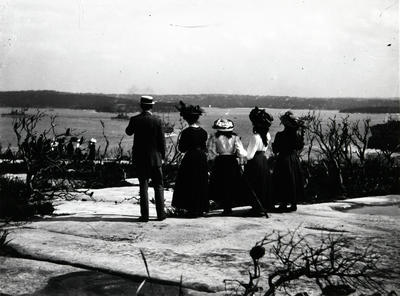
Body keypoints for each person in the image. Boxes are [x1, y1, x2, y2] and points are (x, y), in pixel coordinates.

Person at [125, 96, 166, 222]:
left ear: (141, 105)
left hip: (141, 158)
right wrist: (162, 157)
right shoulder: (157, 120)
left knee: (143, 186)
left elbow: (128, 132)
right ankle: (160, 214)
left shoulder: (135, 119)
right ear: (151, 106)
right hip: (155, 158)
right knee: (158, 185)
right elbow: (162, 141)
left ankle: (145, 215)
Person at [172, 101, 209, 217]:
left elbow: (181, 149)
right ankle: (200, 207)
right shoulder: (203, 132)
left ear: (187, 119)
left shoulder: (186, 132)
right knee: (200, 181)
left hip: (190, 157)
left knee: (189, 182)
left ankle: (190, 207)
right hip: (201, 158)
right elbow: (204, 147)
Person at [208, 118, 247, 215]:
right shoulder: (235, 137)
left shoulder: (214, 137)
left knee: (221, 183)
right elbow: (241, 152)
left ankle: (224, 206)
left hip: (220, 162)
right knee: (231, 183)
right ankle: (229, 206)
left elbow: (211, 153)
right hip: (232, 162)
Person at [272, 110, 305, 212]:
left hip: (283, 159)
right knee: (294, 181)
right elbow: (299, 147)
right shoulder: (296, 136)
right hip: (294, 159)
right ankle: (293, 203)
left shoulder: (279, 135)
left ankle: (283, 204)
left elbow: (275, 150)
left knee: (283, 182)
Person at [243, 107, 274, 215]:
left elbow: (249, 155)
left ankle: (256, 207)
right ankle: (263, 206)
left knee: (255, 184)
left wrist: (241, 152)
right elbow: (264, 149)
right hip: (263, 160)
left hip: (255, 162)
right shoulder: (267, 135)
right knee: (263, 184)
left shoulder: (255, 137)